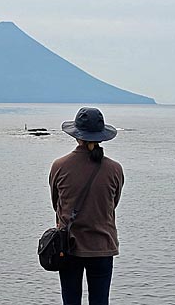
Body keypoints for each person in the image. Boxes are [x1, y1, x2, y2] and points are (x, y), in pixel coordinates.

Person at [49, 107, 124, 305]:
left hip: (69, 246)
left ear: (76, 136)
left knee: (70, 301)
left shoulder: (60, 166)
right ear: (101, 137)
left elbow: (56, 204)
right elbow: (112, 204)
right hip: (102, 246)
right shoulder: (115, 169)